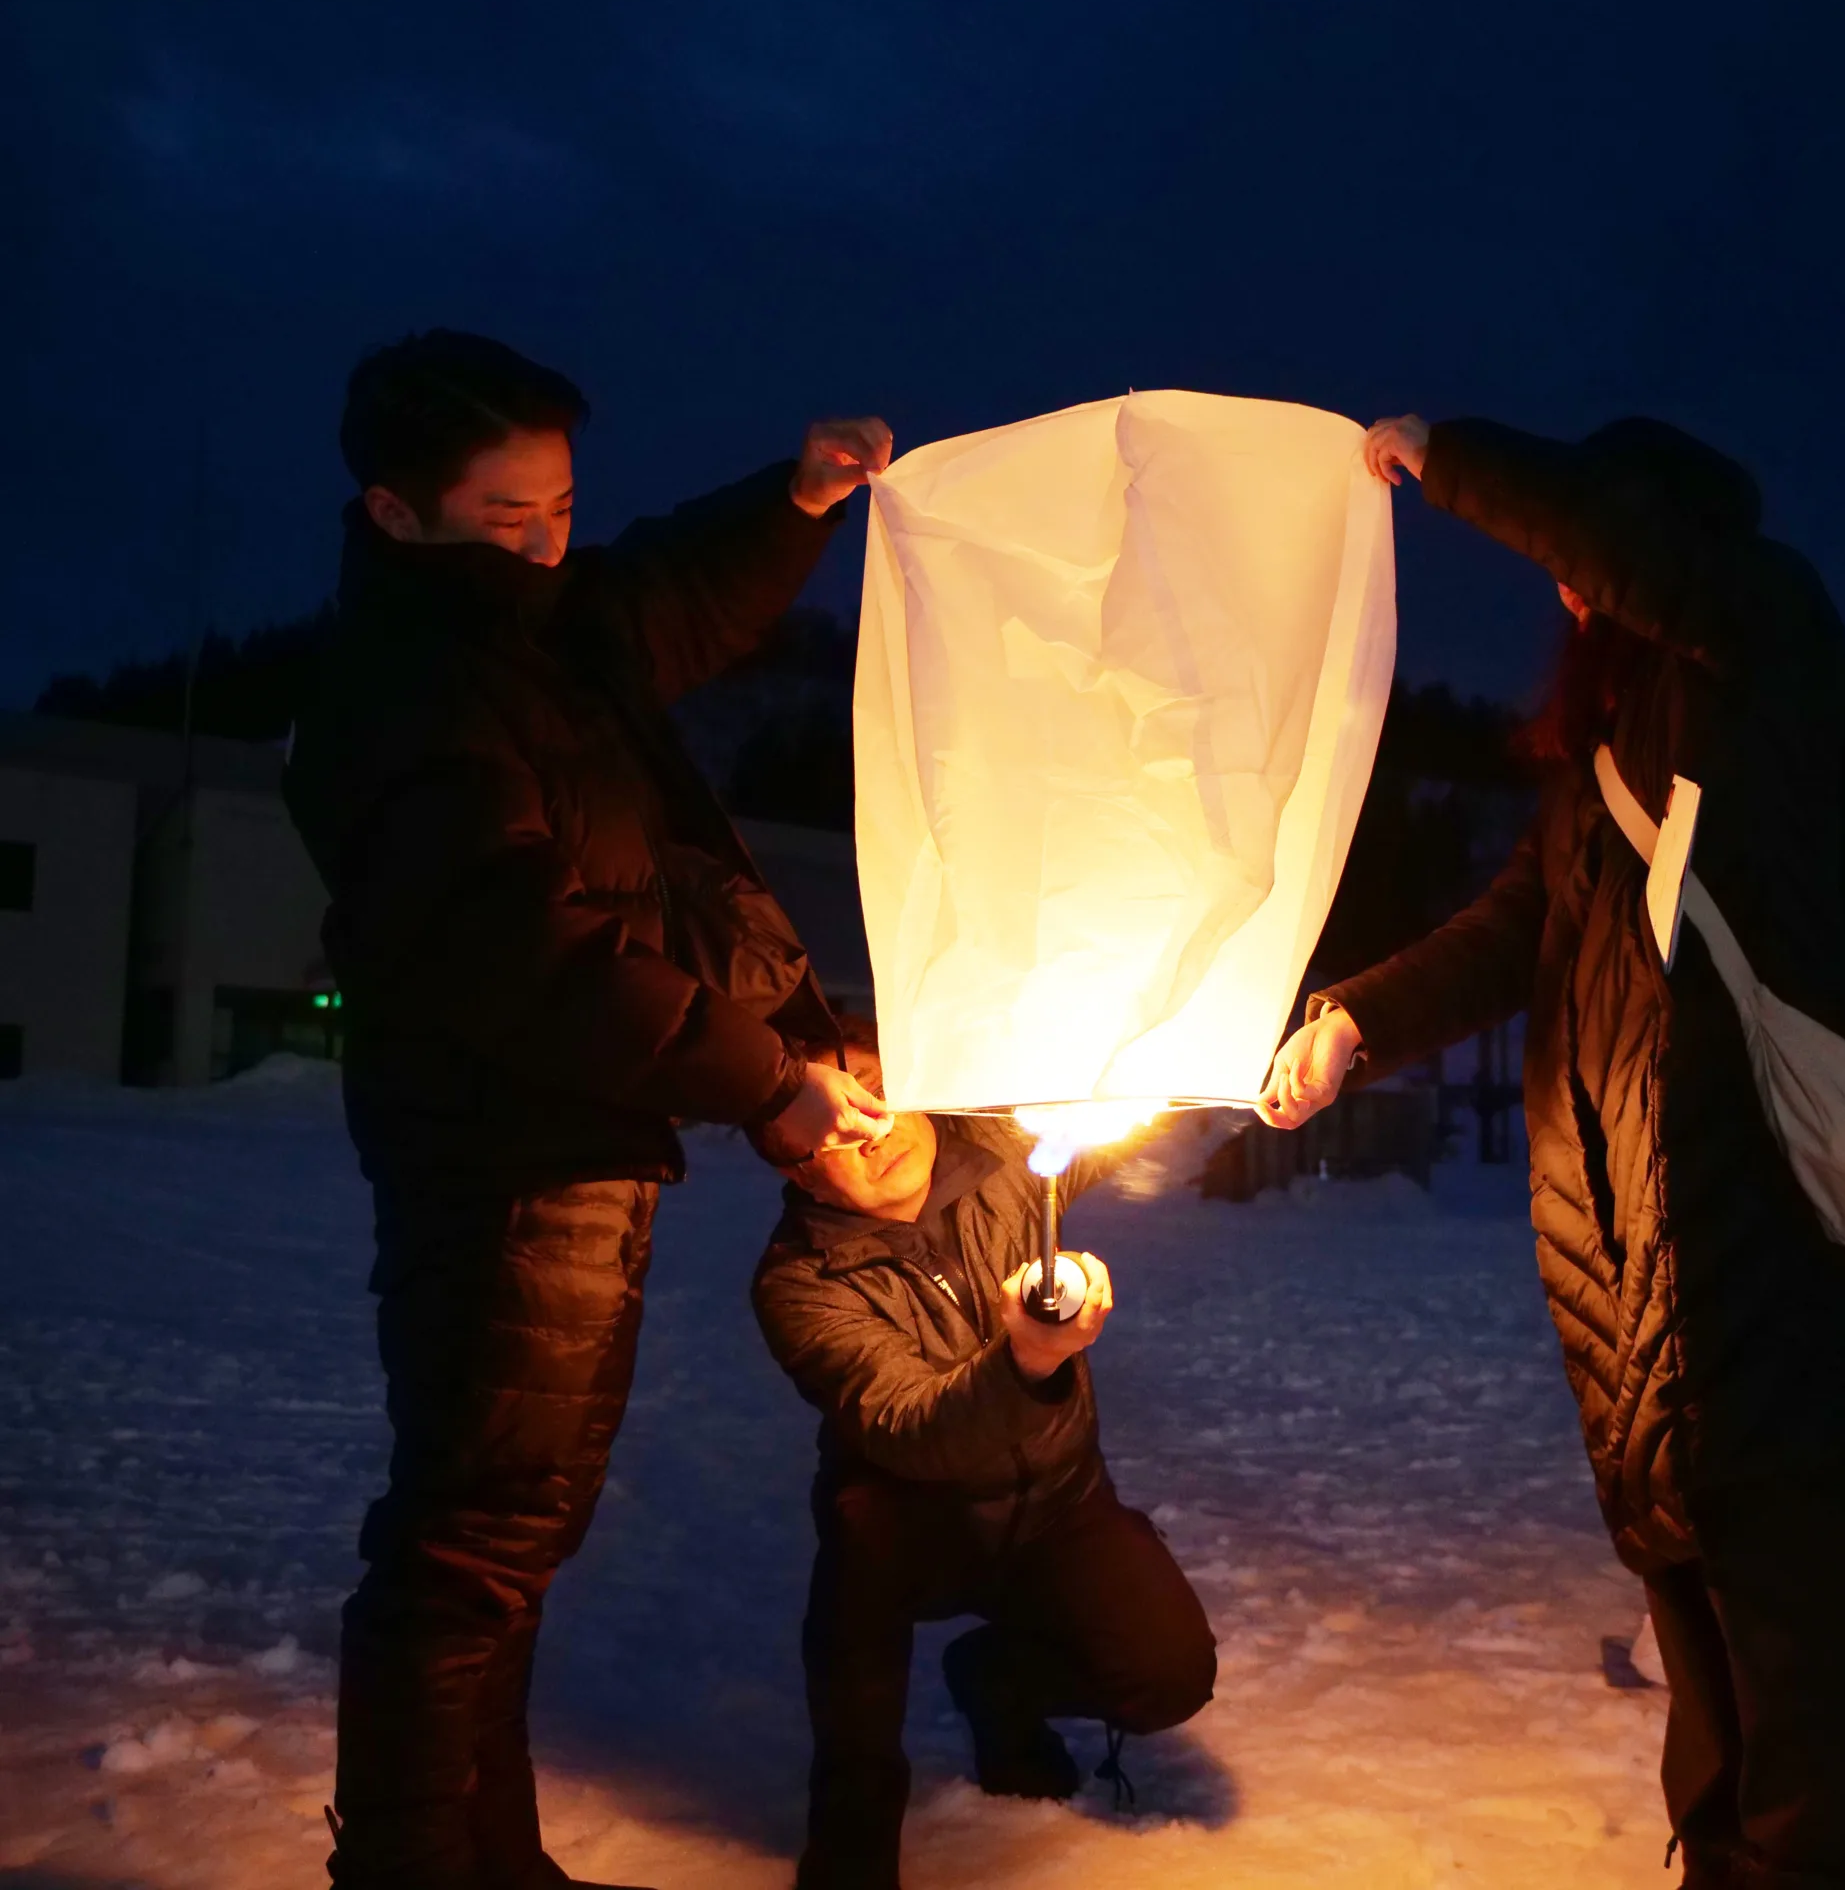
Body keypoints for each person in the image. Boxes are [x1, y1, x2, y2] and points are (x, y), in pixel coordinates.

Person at [1259, 413, 1845, 1889]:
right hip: (1624, 1253)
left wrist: (1452, 461)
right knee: (1694, 1624)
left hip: (1753, 1232)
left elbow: (1640, 565)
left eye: (1597, 551)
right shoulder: (1599, 765)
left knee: (1789, 1621)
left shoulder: (1766, 646)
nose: (1572, 592)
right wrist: (1351, 1027)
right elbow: (1514, 932)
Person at [284, 328, 897, 1890]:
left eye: (561, 505)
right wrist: (763, 1079)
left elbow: (667, 590)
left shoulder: (543, 634)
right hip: (501, 1167)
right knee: (468, 1546)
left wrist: (803, 502)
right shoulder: (408, 694)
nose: (548, 540)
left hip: (572, 1148)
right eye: (508, 515)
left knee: (509, 1534)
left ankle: (495, 1856)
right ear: (393, 511)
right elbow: (531, 953)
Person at [752, 1019, 1217, 1890]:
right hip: (909, 1524)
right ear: (792, 1165)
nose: (874, 1127)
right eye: (834, 1124)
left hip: (1058, 1504)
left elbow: (1119, 1091)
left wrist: (1208, 1046)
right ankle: (850, 1842)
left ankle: (997, 1682)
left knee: (1169, 1677)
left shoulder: (1009, 1159)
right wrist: (1028, 1360)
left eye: (879, 1091)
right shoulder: (799, 1282)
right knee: (855, 1627)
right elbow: (906, 1425)